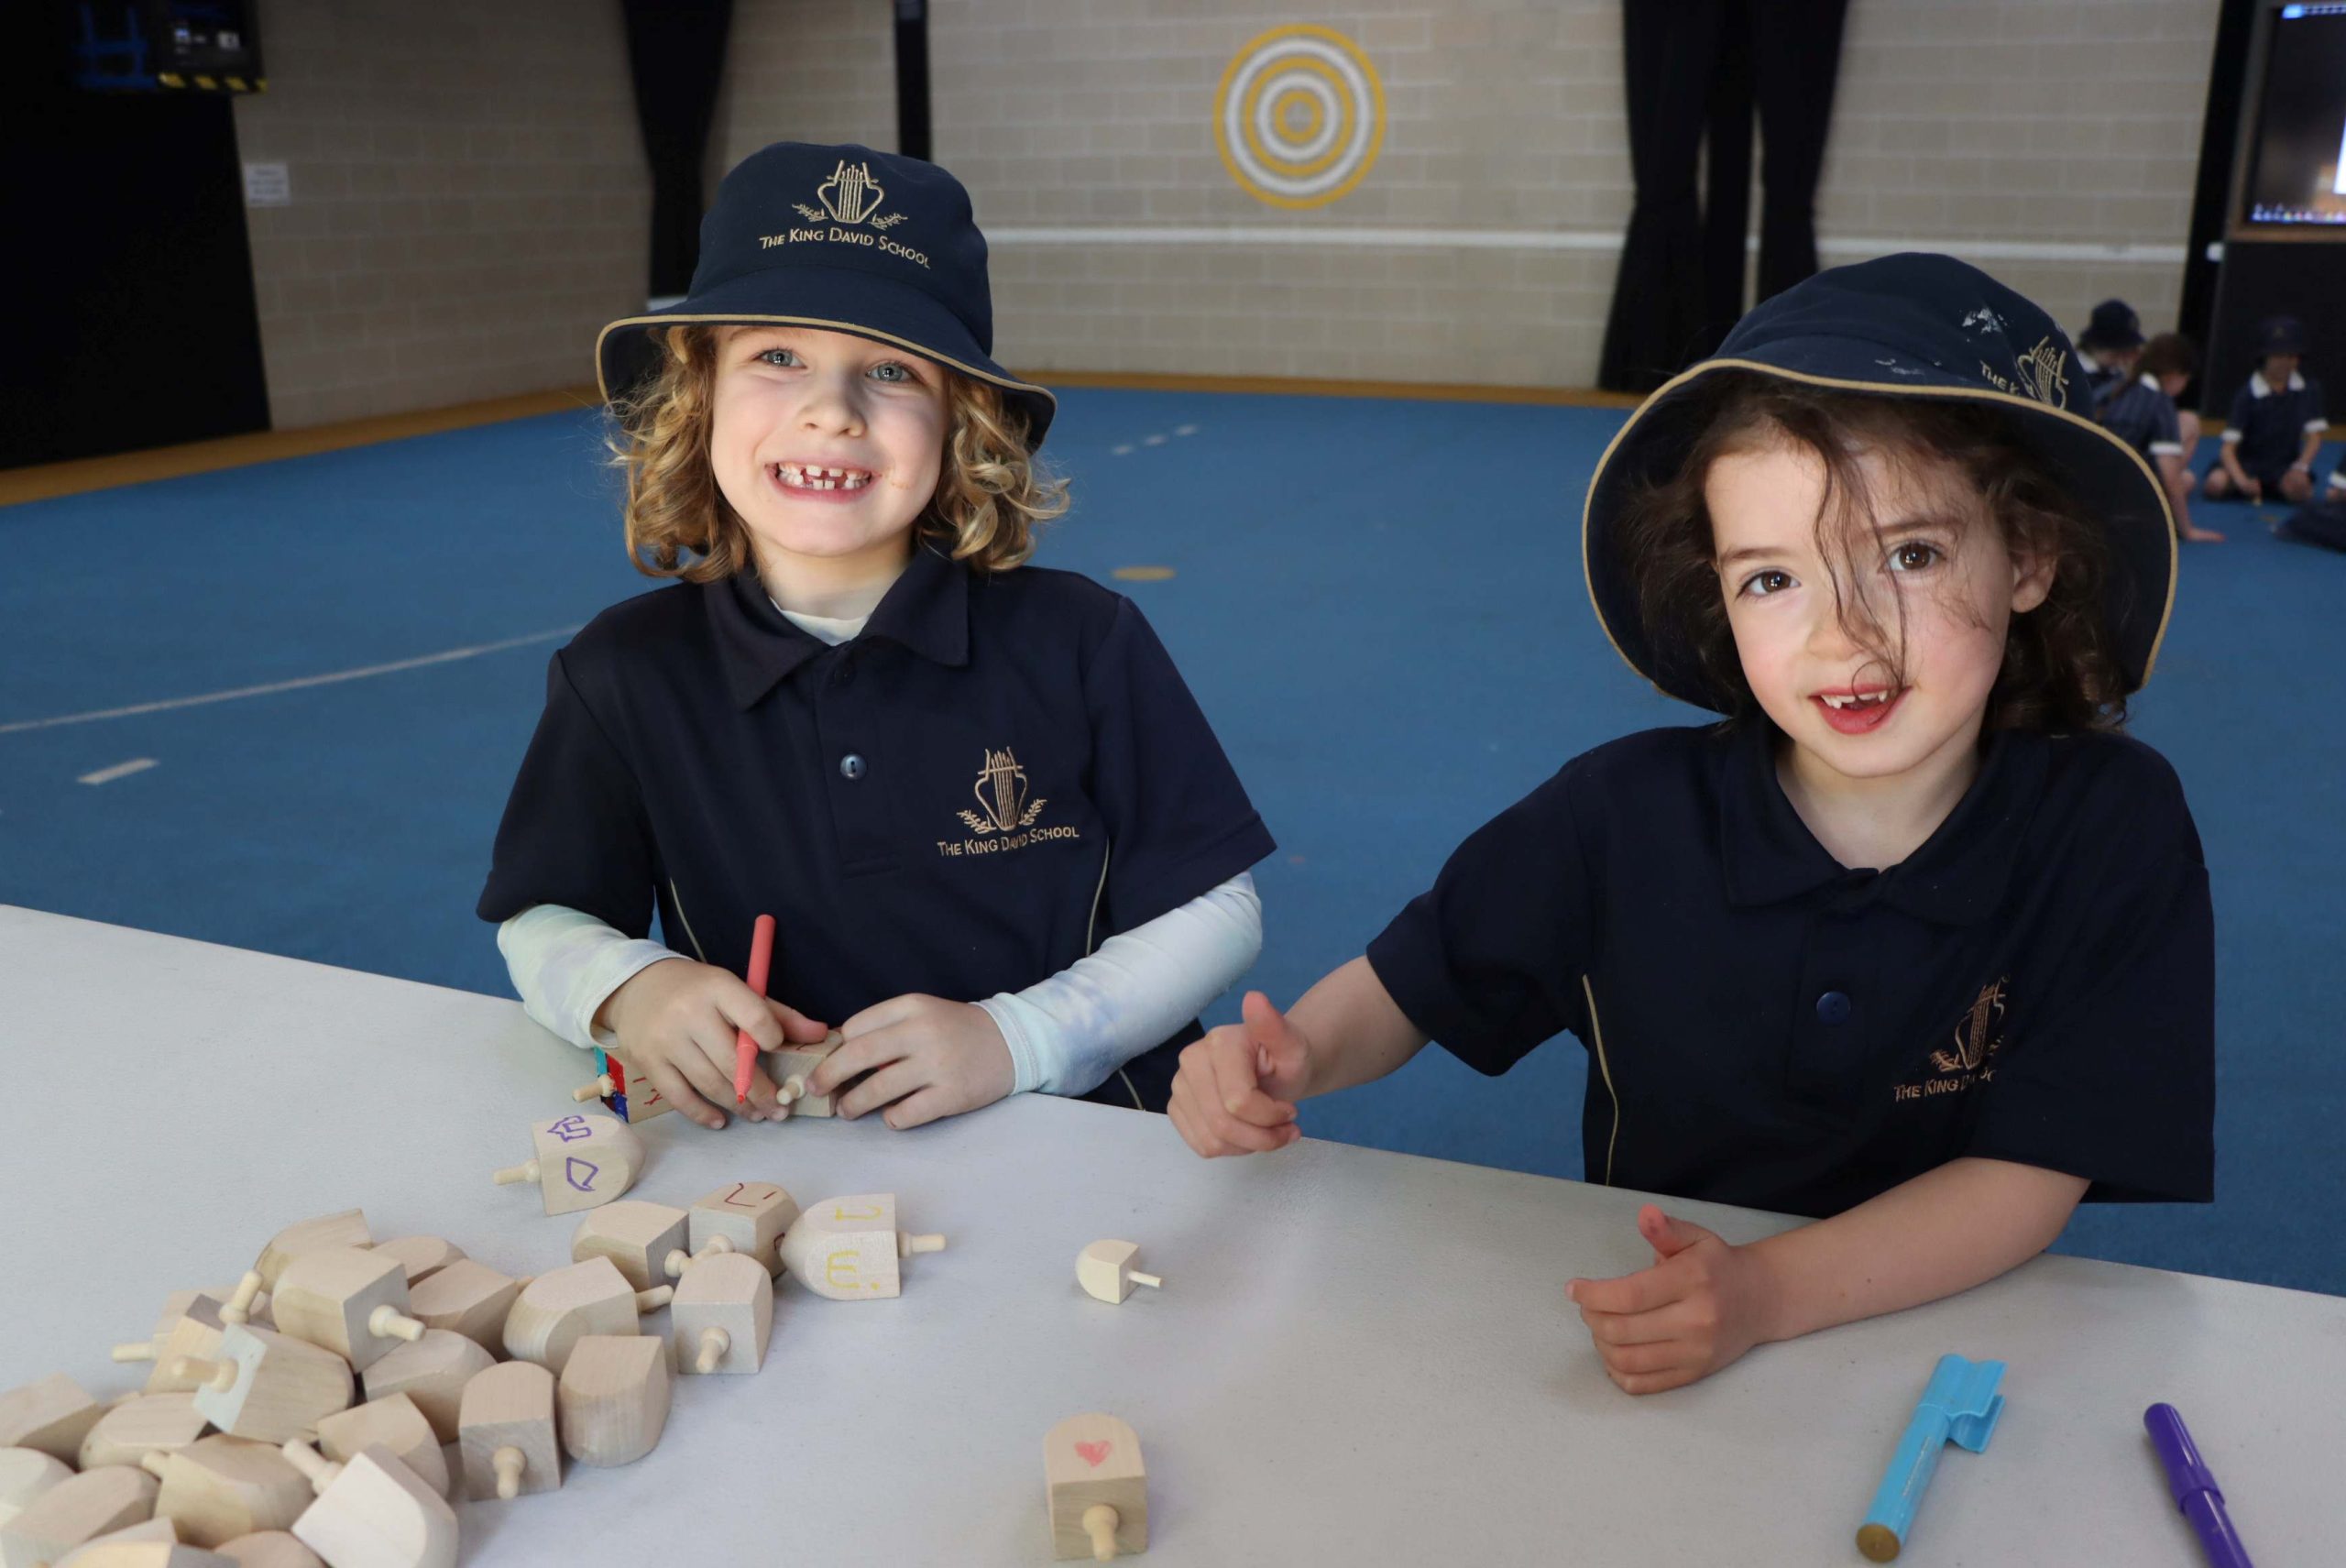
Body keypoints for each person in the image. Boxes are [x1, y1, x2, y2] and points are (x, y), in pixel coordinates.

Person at [1167, 256, 2212, 1396]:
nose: (1842, 634)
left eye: (1908, 555)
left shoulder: (2112, 824)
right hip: (1656, 1329)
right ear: (1715, 588)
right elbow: (1412, 982)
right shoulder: (1617, 815)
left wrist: (1768, 1292)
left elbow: (2030, 1174)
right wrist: (1297, 1055)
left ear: (2027, 559)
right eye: (1773, 579)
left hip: (1940, 1341)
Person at [479, 143, 1274, 1132]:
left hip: (1084, 1139)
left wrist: (1020, 1038)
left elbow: (1215, 907)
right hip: (793, 1155)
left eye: (890, 370)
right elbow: (544, 916)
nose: (830, 410)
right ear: (699, 394)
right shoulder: (623, 672)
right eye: (777, 357)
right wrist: (629, 987)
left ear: (960, 422)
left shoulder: (1079, 639)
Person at [2097, 332, 2221, 542]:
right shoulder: (2159, 403)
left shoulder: (2112, 389)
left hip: (2090, 488)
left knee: (2187, 479)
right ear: (2174, 375)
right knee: (2185, 480)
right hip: (2124, 501)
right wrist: (2187, 530)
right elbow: (2170, 478)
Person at [2204, 315, 2328, 505]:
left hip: (2283, 466)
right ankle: (2245, 487)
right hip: (2246, 465)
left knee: (2301, 491)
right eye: (2278, 356)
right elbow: (2228, 449)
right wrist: (2241, 480)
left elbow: (2314, 438)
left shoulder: (2309, 389)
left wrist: (2300, 467)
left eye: (2291, 356)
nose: (2285, 362)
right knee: (2216, 484)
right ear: (2264, 357)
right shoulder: (2246, 395)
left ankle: (2275, 487)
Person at [2074, 297, 2143, 410]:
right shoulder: (2074, 373)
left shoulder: (2117, 374)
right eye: (2116, 354)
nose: (2122, 361)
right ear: (2097, 346)